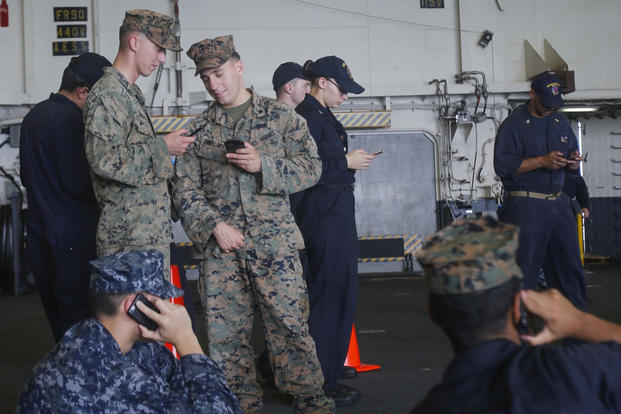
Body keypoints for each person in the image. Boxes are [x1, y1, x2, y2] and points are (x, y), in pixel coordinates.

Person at [172, 35, 333, 413]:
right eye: (206, 78)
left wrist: (266, 166)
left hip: (274, 245)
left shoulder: (281, 118)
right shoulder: (198, 131)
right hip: (221, 252)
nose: (214, 84)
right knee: (226, 336)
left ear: (239, 68)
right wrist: (213, 225)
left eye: (220, 73)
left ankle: (310, 397)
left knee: (290, 326)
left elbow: (312, 168)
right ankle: (239, 402)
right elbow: (184, 189)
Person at [412, 215, 621, 413]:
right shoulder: (583, 374)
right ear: (516, 307)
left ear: (433, 314)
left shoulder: (430, 408)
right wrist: (580, 322)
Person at [17, 249, 241, 413]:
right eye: (160, 297)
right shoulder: (109, 375)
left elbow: (179, 379)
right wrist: (187, 340)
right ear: (136, 306)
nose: (168, 304)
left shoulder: (92, 339)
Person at [84, 9, 194, 276]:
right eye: (158, 48)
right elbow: (104, 160)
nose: (162, 58)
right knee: (134, 317)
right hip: (128, 240)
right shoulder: (109, 94)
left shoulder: (126, 93)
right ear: (134, 43)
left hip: (142, 236)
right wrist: (162, 147)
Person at [294, 56, 376, 406]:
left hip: (333, 212)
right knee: (330, 298)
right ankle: (320, 385)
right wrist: (345, 162)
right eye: (342, 88)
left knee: (332, 296)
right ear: (322, 82)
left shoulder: (322, 115)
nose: (346, 95)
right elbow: (303, 170)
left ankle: (323, 372)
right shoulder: (308, 117)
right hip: (323, 216)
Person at [19, 52, 111, 342]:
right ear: (83, 92)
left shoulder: (34, 116)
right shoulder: (73, 122)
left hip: (40, 235)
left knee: (61, 325)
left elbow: (25, 177)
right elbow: (78, 183)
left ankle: (64, 381)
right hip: (72, 240)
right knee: (83, 324)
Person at [493, 71, 587, 310]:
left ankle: (574, 329)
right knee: (523, 271)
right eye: (546, 103)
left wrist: (573, 163)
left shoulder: (560, 123)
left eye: (554, 105)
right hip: (527, 207)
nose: (549, 109)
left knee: (570, 270)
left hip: (559, 204)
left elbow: (571, 170)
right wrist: (541, 161)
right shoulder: (512, 126)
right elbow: (503, 168)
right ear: (532, 94)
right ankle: (518, 330)